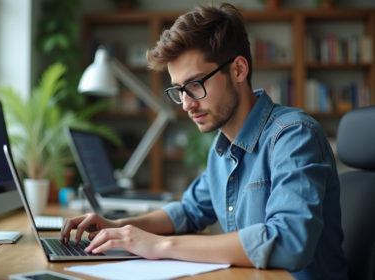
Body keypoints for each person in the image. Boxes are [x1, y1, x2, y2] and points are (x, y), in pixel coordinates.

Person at [61, 3, 349, 279]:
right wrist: (119, 226)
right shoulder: (221, 148)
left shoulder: (293, 136)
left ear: (238, 70)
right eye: (179, 90)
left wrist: (160, 246)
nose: (186, 105)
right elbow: (189, 210)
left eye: (195, 85)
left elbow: (289, 242)